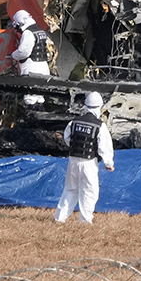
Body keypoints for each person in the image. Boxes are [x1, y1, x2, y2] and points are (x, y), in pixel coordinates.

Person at [54, 91, 115, 224]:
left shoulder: (73, 122)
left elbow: (67, 138)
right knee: (89, 191)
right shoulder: (100, 125)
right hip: (89, 162)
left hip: (73, 161)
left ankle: (60, 218)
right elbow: (104, 146)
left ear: (85, 106)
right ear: (99, 107)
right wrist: (108, 163)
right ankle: (85, 221)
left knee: (70, 189)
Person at [9, 9, 53, 106]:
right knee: (39, 97)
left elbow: (23, 51)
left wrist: (13, 55)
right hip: (43, 67)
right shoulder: (40, 31)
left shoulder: (28, 33)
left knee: (31, 98)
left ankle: (32, 118)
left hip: (32, 68)